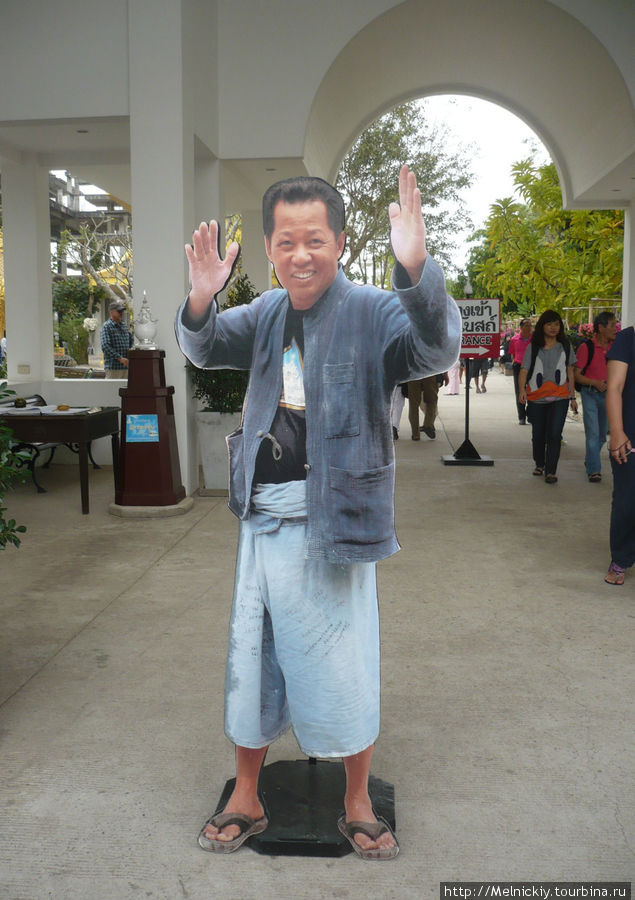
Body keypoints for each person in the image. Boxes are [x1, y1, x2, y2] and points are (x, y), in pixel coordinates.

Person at [176, 167, 460, 859]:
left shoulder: (371, 308)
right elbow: (205, 347)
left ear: (339, 241)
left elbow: (435, 346)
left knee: (344, 664)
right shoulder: (269, 312)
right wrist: (201, 298)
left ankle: (355, 796)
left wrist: (415, 267)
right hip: (262, 520)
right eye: (285, 241)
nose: (300, 254)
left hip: (334, 520)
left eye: (314, 239)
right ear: (270, 249)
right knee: (253, 657)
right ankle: (246, 791)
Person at [519, 310, 577, 483]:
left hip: (560, 397)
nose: (553, 328)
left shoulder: (565, 346)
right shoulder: (534, 347)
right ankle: (539, 463)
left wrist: (572, 397)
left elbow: (570, 372)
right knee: (538, 434)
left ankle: (551, 471)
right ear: (542, 326)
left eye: (557, 324)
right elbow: (524, 370)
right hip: (537, 398)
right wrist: (522, 390)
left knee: (554, 433)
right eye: (549, 324)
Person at [604, 324, 635, 584]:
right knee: (627, 501)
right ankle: (621, 558)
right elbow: (614, 387)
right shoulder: (627, 339)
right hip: (629, 437)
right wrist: (616, 431)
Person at [574, 311, 618, 483]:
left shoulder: (617, 347)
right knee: (592, 433)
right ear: (600, 328)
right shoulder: (587, 348)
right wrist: (594, 382)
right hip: (590, 394)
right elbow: (577, 375)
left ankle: (590, 458)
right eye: (613, 325)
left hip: (610, 396)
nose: (616, 328)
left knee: (601, 435)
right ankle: (594, 470)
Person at [509, 318, 533, 424]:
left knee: (532, 390)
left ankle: (531, 414)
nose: (529, 327)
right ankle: (521, 416)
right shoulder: (514, 339)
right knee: (519, 390)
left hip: (532, 367)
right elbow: (513, 353)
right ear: (521, 327)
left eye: (530, 325)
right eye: (526, 325)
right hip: (519, 366)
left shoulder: (534, 339)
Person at [100, 301, 133, 378]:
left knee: (125, 389)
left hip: (126, 367)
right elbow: (105, 346)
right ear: (111, 312)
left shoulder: (124, 325)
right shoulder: (107, 326)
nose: (121, 313)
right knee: (111, 389)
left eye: (122, 311)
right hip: (113, 368)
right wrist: (120, 358)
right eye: (119, 311)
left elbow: (131, 340)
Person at [407, 375, 440, 439]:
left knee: (413, 404)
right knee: (432, 400)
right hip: (429, 372)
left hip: (414, 373)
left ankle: (415, 434)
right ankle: (428, 424)